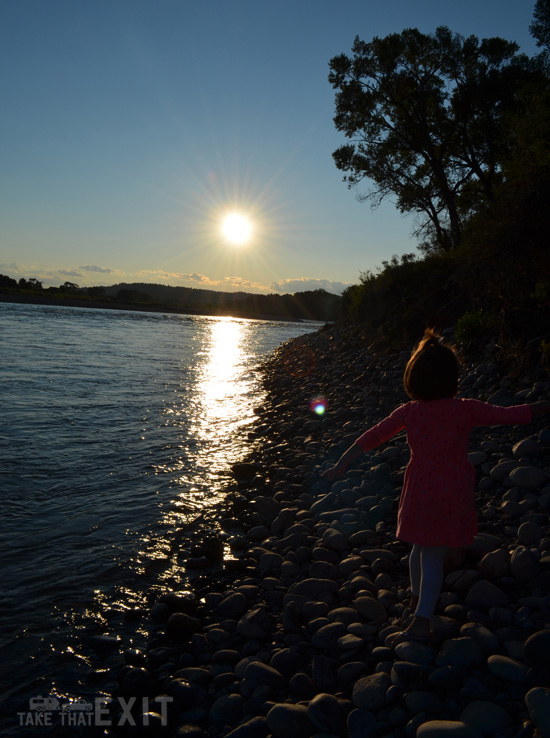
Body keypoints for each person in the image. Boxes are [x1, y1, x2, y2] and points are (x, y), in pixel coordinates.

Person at [322, 329, 550, 645]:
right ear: (452, 379)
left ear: (413, 379)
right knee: (425, 550)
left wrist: (344, 459)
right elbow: (505, 415)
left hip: (420, 487)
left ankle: (422, 620)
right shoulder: (464, 408)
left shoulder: (409, 411)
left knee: (423, 549)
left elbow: (376, 434)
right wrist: (540, 406)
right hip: (453, 487)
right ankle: (418, 603)